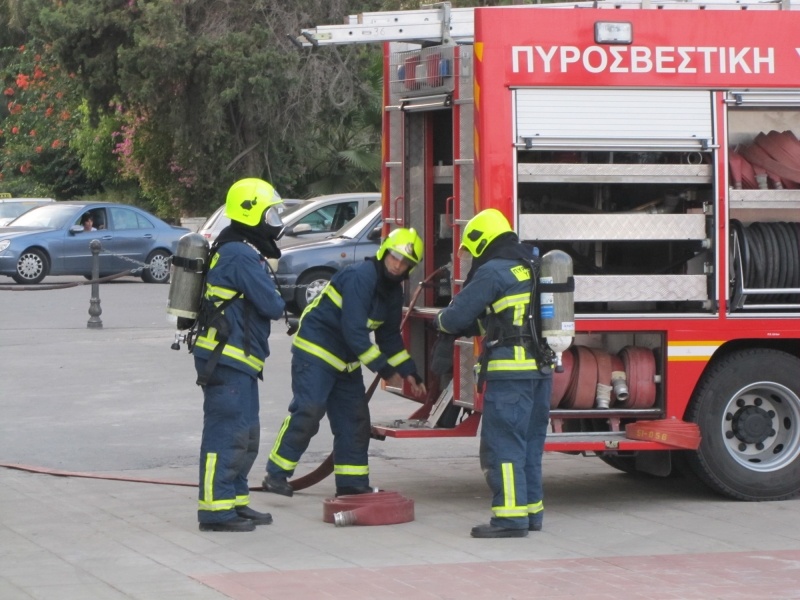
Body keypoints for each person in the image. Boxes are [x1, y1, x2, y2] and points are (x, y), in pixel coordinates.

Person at [263, 228, 427, 498]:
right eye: (395, 257)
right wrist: (385, 370)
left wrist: (410, 371)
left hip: (346, 361)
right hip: (316, 351)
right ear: (384, 252)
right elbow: (355, 331)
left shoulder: (393, 291)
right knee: (309, 410)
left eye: (405, 262)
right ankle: (276, 474)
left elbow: (388, 337)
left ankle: (352, 484)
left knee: (354, 421)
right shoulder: (360, 277)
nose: (398, 265)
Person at [434, 208, 552, 539]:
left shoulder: (494, 271)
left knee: (503, 446)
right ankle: (531, 513)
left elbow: (455, 317)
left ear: (482, 239)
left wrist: (438, 321)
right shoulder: (535, 265)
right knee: (529, 445)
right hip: (541, 373)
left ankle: (510, 519)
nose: (472, 258)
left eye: (472, 250)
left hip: (509, 375)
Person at [192, 177, 287, 533]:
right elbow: (272, 304)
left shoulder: (240, 247)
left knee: (245, 434)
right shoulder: (238, 254)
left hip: (239, 361)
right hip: (226, 360)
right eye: (269, 213)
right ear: (251, 214)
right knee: (226, 433)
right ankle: (215, 512)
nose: (274, 222)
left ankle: (235, 501)